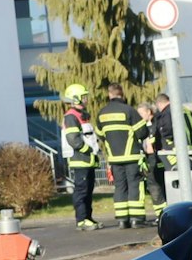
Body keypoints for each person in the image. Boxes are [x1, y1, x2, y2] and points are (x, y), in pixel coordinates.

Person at [96, 83, 146, 228]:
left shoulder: (102, 113)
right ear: (122, 94)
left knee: (120, 187)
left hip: (114, 158)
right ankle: (136, 219)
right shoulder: (129, 111)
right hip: (131, 156)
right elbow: (142, 132)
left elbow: (100, 135)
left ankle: (122, 220)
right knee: (134, 185)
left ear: (109, 95)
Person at [145, 92, 192, 207]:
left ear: (159, 104)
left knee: (177, 179)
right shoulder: (184, 109)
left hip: (176, 151)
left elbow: (167, 131)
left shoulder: (168, 112)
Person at [60, 84, 101, 231]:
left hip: (88, 159)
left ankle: (88, 218)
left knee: (88, 190)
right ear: (76, 98)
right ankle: (81, 220)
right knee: (81, 190)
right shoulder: (71, 116)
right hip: (80, 159)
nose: (86, 99)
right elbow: (74, 140)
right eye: (83, 96)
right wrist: (88, 150)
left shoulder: (83, 115)